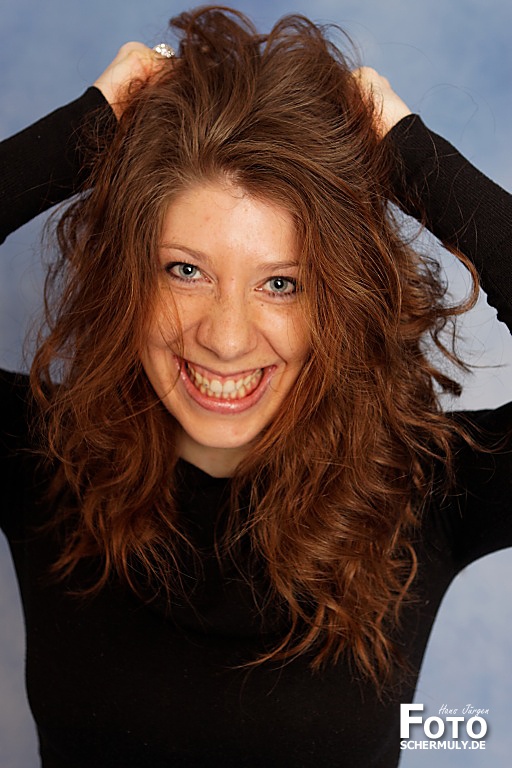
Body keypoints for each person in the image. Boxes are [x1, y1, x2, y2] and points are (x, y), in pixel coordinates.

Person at [1, 6, 511, 767]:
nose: (227, 337)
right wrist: (90, 128)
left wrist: (407, 153)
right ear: (127, 280)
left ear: (340, 304)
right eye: (185, 270)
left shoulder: (428, 487)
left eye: (281, 283)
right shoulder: (41, 454)